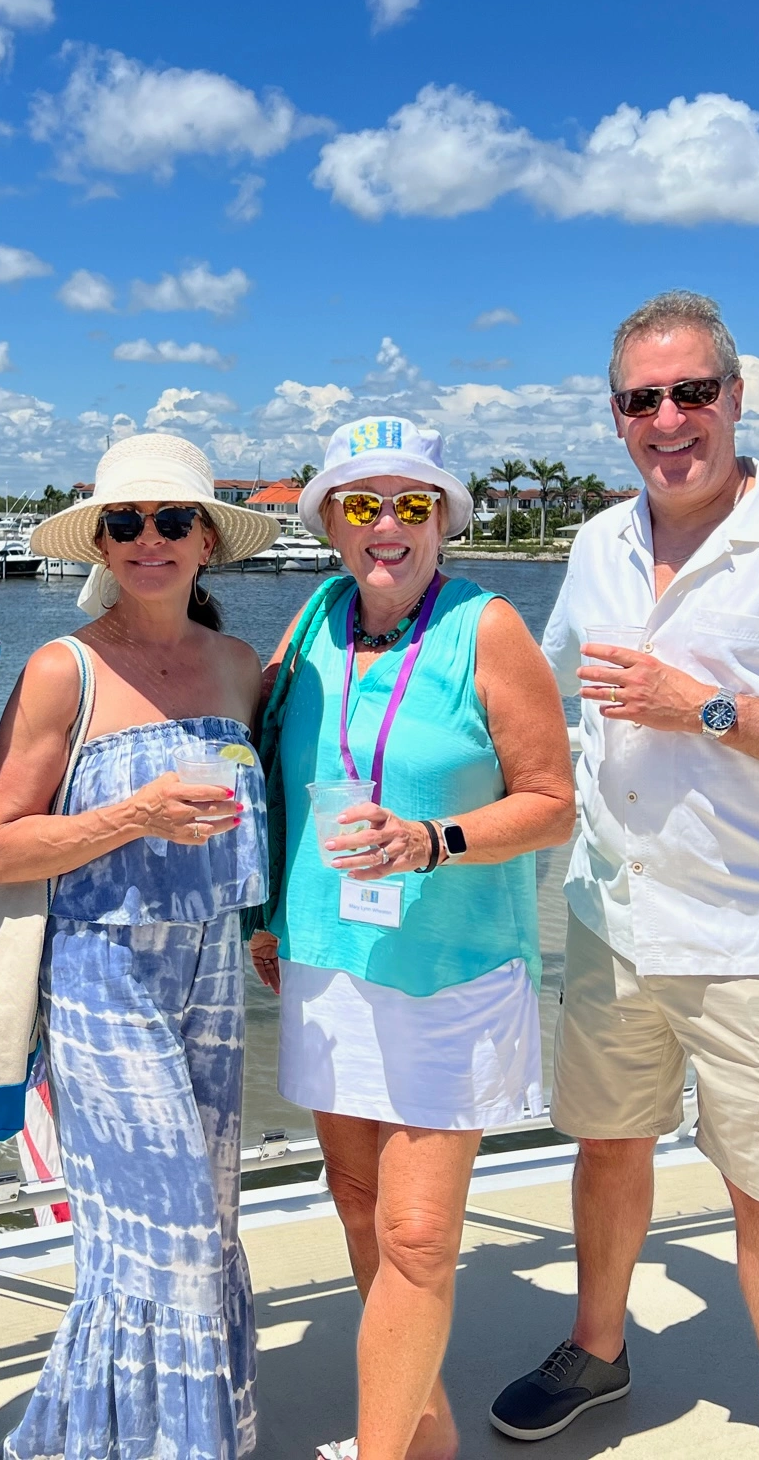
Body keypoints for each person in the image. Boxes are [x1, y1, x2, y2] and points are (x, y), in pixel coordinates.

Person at [490, 292, 759, 1460]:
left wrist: (710, 710)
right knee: (608, 1145)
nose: (669, 419)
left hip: (756, 934)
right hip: (613, 914)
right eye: (644, 399)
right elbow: (541, 699)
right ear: (616, 416)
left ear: (735, 397)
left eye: (691, 392)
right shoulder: (597, 544)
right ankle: (597, 1349)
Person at [250, 417, 575, 1460]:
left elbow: (553, 804)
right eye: (360, 504)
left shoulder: (488, 627)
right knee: (357, 1203)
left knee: (421, 1235)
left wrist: (433, 840)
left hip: (453, 971)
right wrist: (265, 919)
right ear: (331, 527)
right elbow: (258, 758)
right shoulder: (314, 619)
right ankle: (424, 1429)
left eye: (411, 504)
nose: (384, 524)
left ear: (443, 520)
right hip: (329, 957)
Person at [0, 433, 281, 1460]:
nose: (148, 539)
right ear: (102, 545)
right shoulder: (62, 670)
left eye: (171, 521)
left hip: (211, 975)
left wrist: (270, 928)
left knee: (204, 1222)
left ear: (206, 541)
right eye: (125, 523)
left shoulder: (240, 667)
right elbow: (2, 847)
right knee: (172, 1234)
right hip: (102, 974)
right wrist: (133, 816)